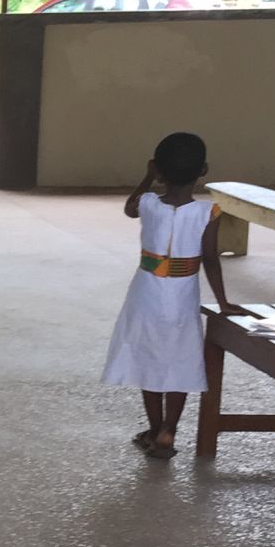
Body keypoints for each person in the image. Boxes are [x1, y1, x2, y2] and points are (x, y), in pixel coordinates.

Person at [102, 131, 241, 459]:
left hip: (146, 292)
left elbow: (129, 208)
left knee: (148, 356)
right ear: (203, 170)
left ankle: (154, 430)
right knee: (180, 358)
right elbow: (211, 260)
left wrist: (148, 177)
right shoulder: (209, 212)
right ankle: (168, 430)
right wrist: (223, 302)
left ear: (159, 169)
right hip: (182, 294)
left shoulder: (148, 203)